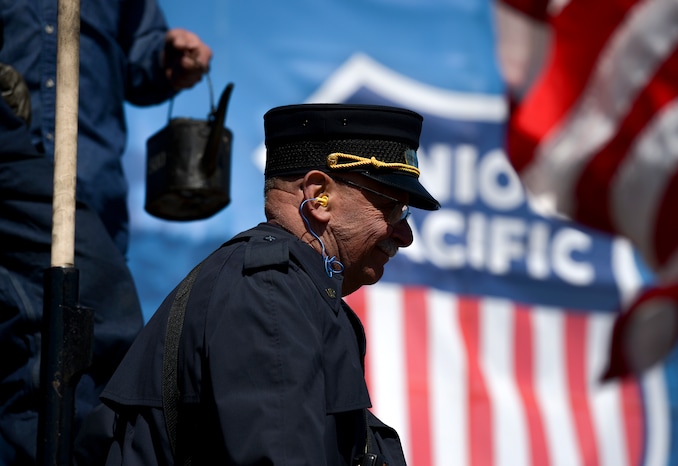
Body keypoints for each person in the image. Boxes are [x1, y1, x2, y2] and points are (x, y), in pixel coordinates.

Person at [74, 103, 441, 465]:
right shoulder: (270, 289)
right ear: (318, 196)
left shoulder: (289, 288)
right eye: (392, 207)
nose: (405, 234)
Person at [0, 2, 212, 464]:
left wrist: (165, 58)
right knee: (78, 340)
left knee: (81, 349)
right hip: (14, 170)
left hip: (88, 192)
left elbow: (141, 55)